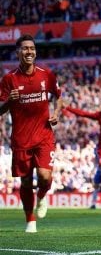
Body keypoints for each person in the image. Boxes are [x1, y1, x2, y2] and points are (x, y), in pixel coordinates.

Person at [0, 35, 63, 233]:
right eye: (25, 48)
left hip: (44, 136)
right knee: (26, 181)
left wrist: (56, 113)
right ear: (18, 52)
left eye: (32, 48)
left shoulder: (46, 75)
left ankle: (42, 196)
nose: (30, 52)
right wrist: (9, 100)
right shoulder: (9, 79)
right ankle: (30, 220)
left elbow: (58, 97)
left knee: (44, 177)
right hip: (21, 140)